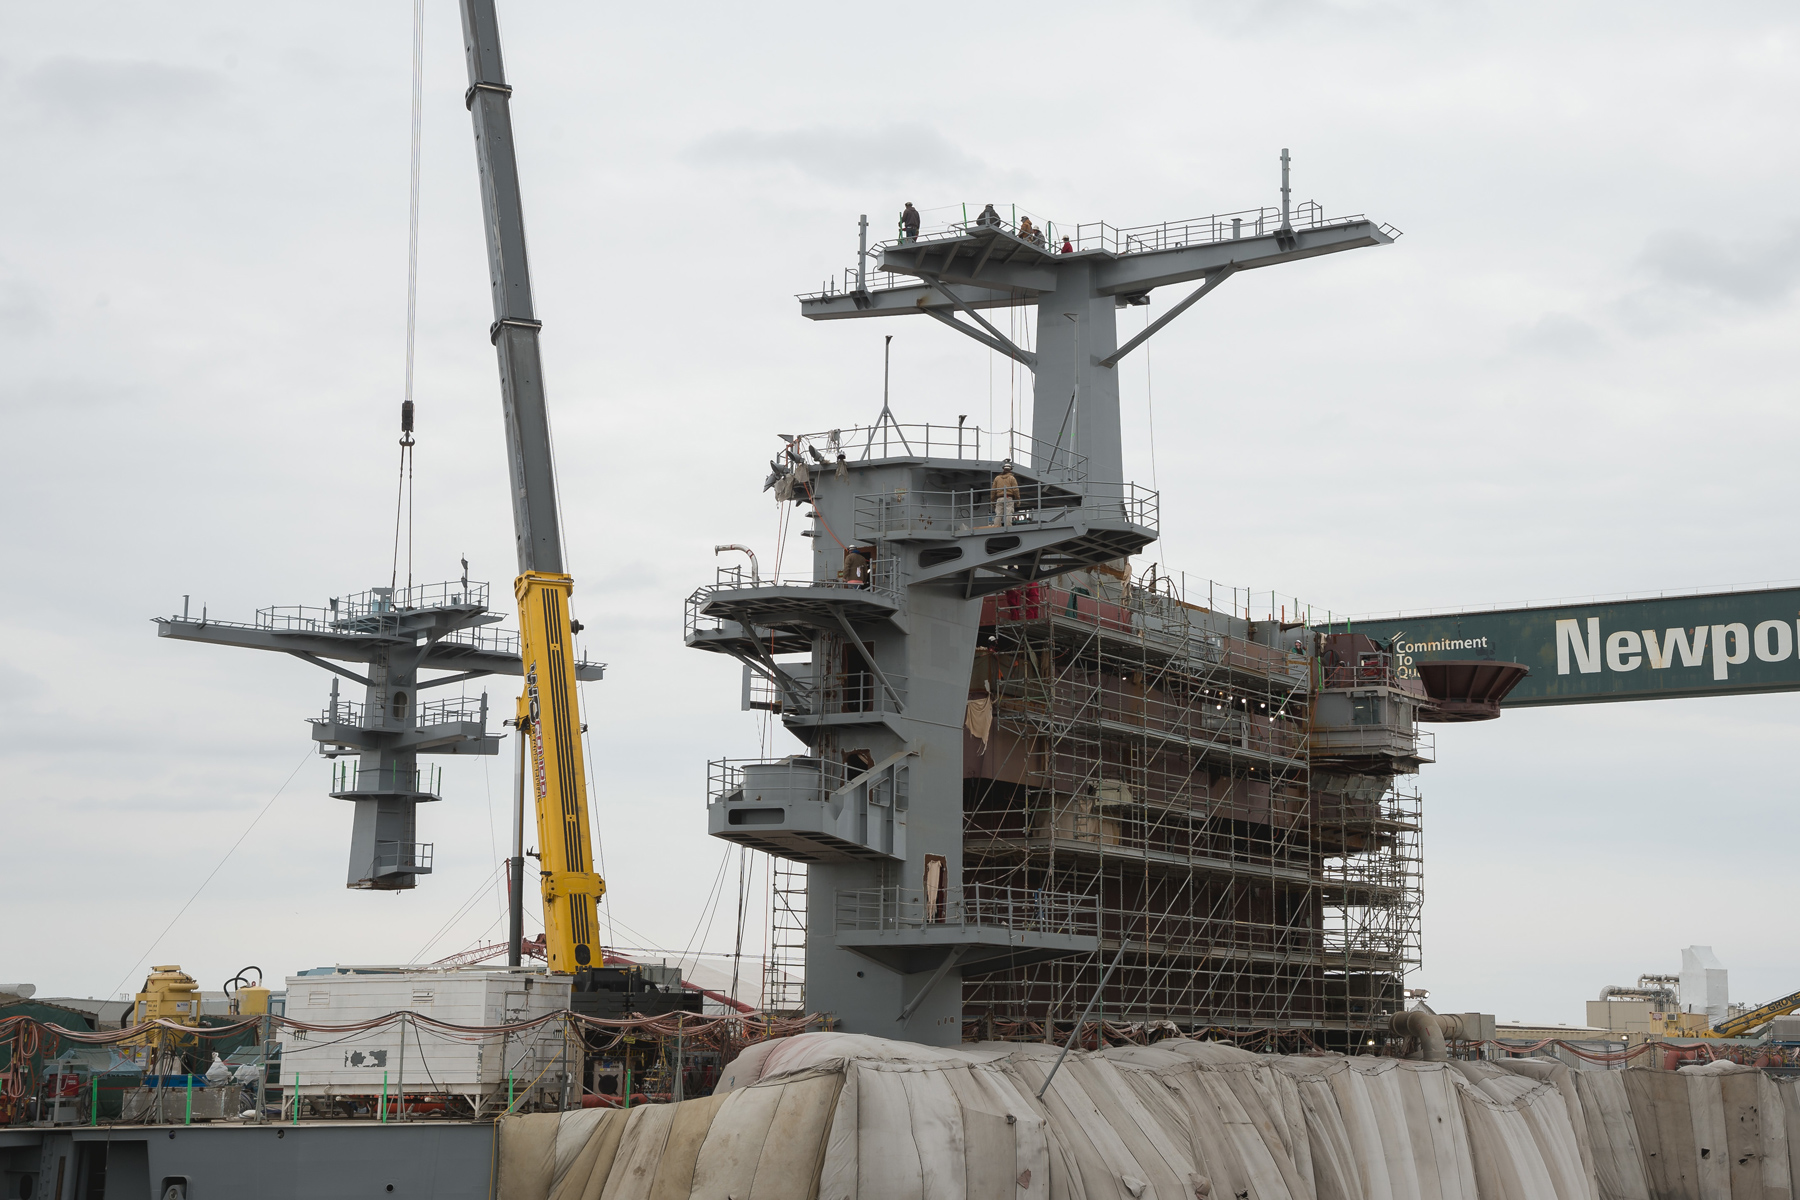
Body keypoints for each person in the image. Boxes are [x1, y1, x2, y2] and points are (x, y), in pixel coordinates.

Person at [990, 459, 1021, 528]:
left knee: (998, 514)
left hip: (999, 498)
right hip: (1008, 497)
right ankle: (1008, 526)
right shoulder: (1012, 478)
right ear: (1010, 470)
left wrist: (992, 501)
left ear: (1003, 469)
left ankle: (996, 526)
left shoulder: (997, 478)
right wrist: (1018, 500)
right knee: (1008, 513)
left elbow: (993, 490)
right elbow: (1015, 490)